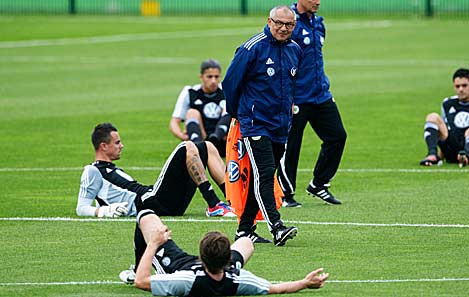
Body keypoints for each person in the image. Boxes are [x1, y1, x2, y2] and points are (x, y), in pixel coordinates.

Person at [222, 5, 302, 246]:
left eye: (289, 25)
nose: (283, 28)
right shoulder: (252, 48)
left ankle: (244, 229)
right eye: (279, 23)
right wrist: (241, 115)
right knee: (264, 173)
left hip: (280, 125)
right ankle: (276, 227)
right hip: (255, 124)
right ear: (269, 21)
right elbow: (230, 84)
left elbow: (291, 86)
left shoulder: (295, 50)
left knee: (265, 174)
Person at [131, 209, 329, 296]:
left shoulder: (184, 279)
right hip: (220, 270)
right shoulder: (238, 279)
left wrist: (154, 244)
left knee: (146, 216)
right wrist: (305, 283)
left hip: (178, 265)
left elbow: (142, 282)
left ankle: (136, 265)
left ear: (202, 256)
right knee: (246, 241)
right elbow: (277, 289)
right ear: (228, 259)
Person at [76, 122, 234, 218]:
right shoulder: (92, 170)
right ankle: (214, 204)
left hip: (163, 203)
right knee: (187, 146)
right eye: (117, 143)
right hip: (151, 202)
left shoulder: (109, 170)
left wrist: (105, 206)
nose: (121, 146)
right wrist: (103, 211)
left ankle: (233, 202)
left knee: (206, 146)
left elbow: (105, 195)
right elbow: (81, 208)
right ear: (103, 146)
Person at [277, 0, 347, 208]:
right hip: (297, 98)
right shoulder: (290, 24)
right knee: (291, 146)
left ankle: (319, 183)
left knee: (337, 136)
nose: (318, 1)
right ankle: (285, 194)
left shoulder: (318, 23)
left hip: (320, 94)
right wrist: (286, 97)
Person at [169, 59, 231, 156]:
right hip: (203, 137)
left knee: (229, 108)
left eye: (216, 77)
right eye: (209, 77)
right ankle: (197, 144)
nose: (213, 81)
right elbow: (174, 121)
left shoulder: (225, 91)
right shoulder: (190, 92)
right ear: (201, 77)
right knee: (192, 112)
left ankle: (216, 136)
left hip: (224, 142)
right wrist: (182, 136)